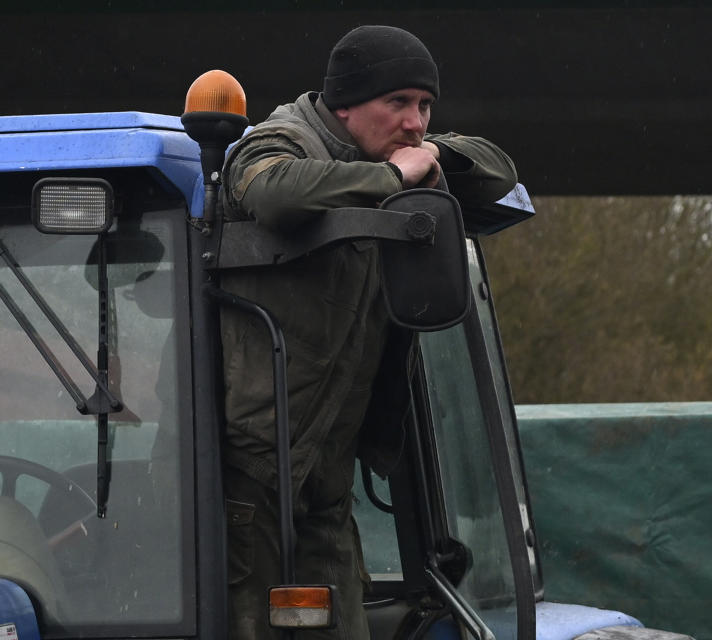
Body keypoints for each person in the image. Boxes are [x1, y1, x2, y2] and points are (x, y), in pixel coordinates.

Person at [217, 25, 518, 639]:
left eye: (425, 105)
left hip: (324, 473)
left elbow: (500, 174)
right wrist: (394, 181)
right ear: (345, 104)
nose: (416, 122)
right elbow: (271, 194)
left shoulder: (398, 155)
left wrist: (435, 158)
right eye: (399, 103)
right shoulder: (281, 140)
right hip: (246, 477)